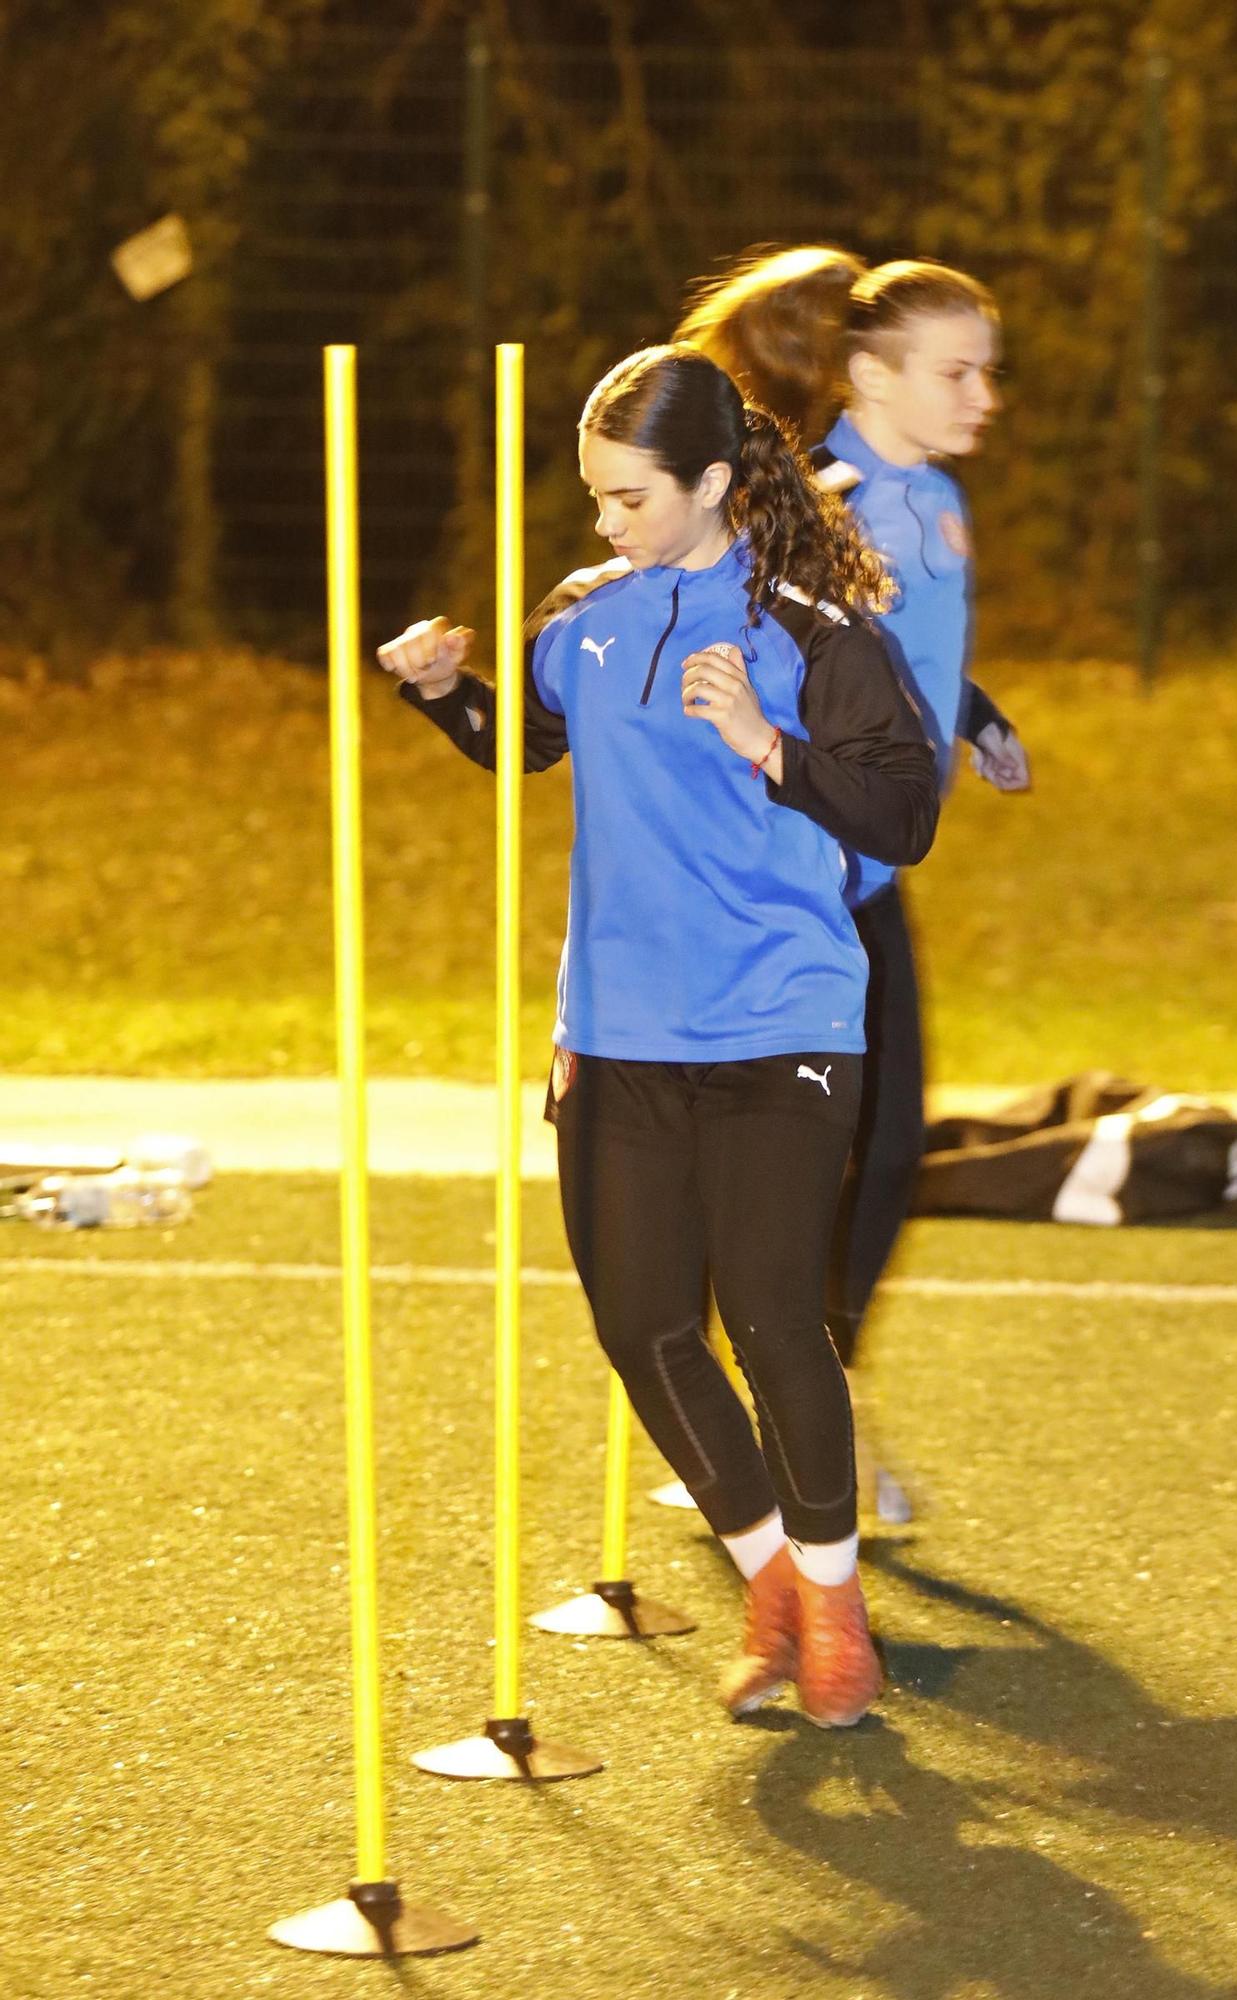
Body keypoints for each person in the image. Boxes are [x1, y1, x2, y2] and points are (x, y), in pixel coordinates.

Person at [376, 344, 939, 1729]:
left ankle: (837, 1611)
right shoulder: (589, 613)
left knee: (767, 1320)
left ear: (711, 480)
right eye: (595, 500)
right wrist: (450, 690)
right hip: (616, 1034)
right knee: (641, 1326)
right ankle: (769, 1585)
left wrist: (767, 744)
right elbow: (534, 744)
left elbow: (902, 810)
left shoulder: (814, 624)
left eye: (630, 500)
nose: (607, 526)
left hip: (778, 1021)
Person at [676, 248, 1031, 1514]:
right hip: (802, 877)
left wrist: (970, 712)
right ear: (872, 375)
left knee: (879, 1153)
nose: (983, 395)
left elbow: (888, 653)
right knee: (853, 1157)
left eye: (989, 370)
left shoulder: (928, 495)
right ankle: (804, 1424)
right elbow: (771, 673)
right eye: (956, 372)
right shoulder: (824, 504)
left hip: (868, 871)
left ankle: (803, 1408)